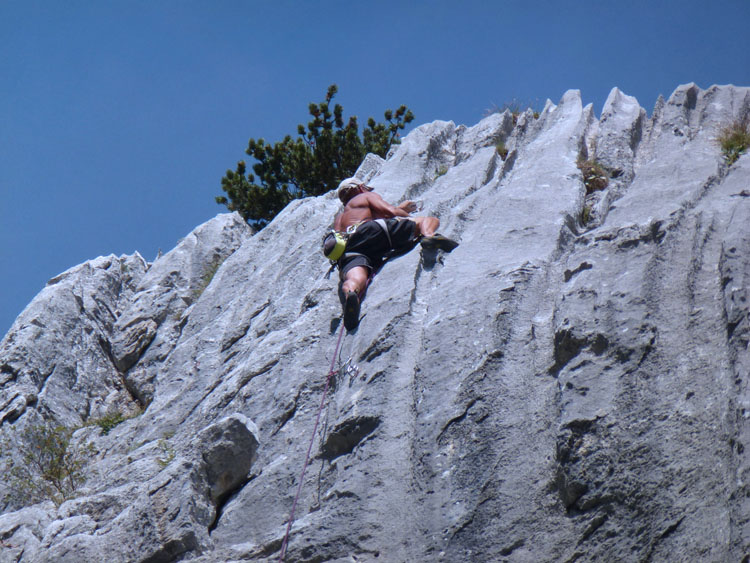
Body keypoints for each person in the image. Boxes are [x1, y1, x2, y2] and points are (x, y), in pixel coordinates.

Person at [331, 177, 458, 330]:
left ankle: (351, 294)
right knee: (427, 220)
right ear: (357, 188)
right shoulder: (363, 196)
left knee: (355, 277)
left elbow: (365, 221)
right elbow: (390, 212)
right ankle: (429, 237)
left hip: (349, 250)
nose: (366, 190)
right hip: (371, 232)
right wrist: (408, 216)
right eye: (364, 187)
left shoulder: (340, 218)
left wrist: (401, 208)